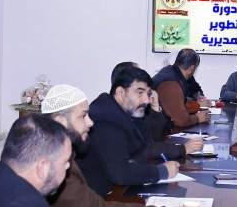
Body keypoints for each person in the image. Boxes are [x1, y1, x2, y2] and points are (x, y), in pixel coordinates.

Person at [42, 84, 203, 207]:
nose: (90, 122)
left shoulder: (59, 149)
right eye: (83, 116)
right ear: (60, 122)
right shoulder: (50, 165)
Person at [78, 66, 204, 198]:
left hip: (116, 189)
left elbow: (143, 149)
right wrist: (161, 171)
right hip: (101, 197)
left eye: (148, 93)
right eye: (139, 93)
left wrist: (136, 162)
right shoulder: (106, 120)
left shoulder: (124, 112)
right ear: (120, 93)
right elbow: (121, 174)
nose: (146, 100)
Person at [153, 49, 209, 127]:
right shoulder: (171, 83)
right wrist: (198, 118)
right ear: (192, 68)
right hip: (159, 131)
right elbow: (181, 121)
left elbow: (182, 106)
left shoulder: (172, 73)